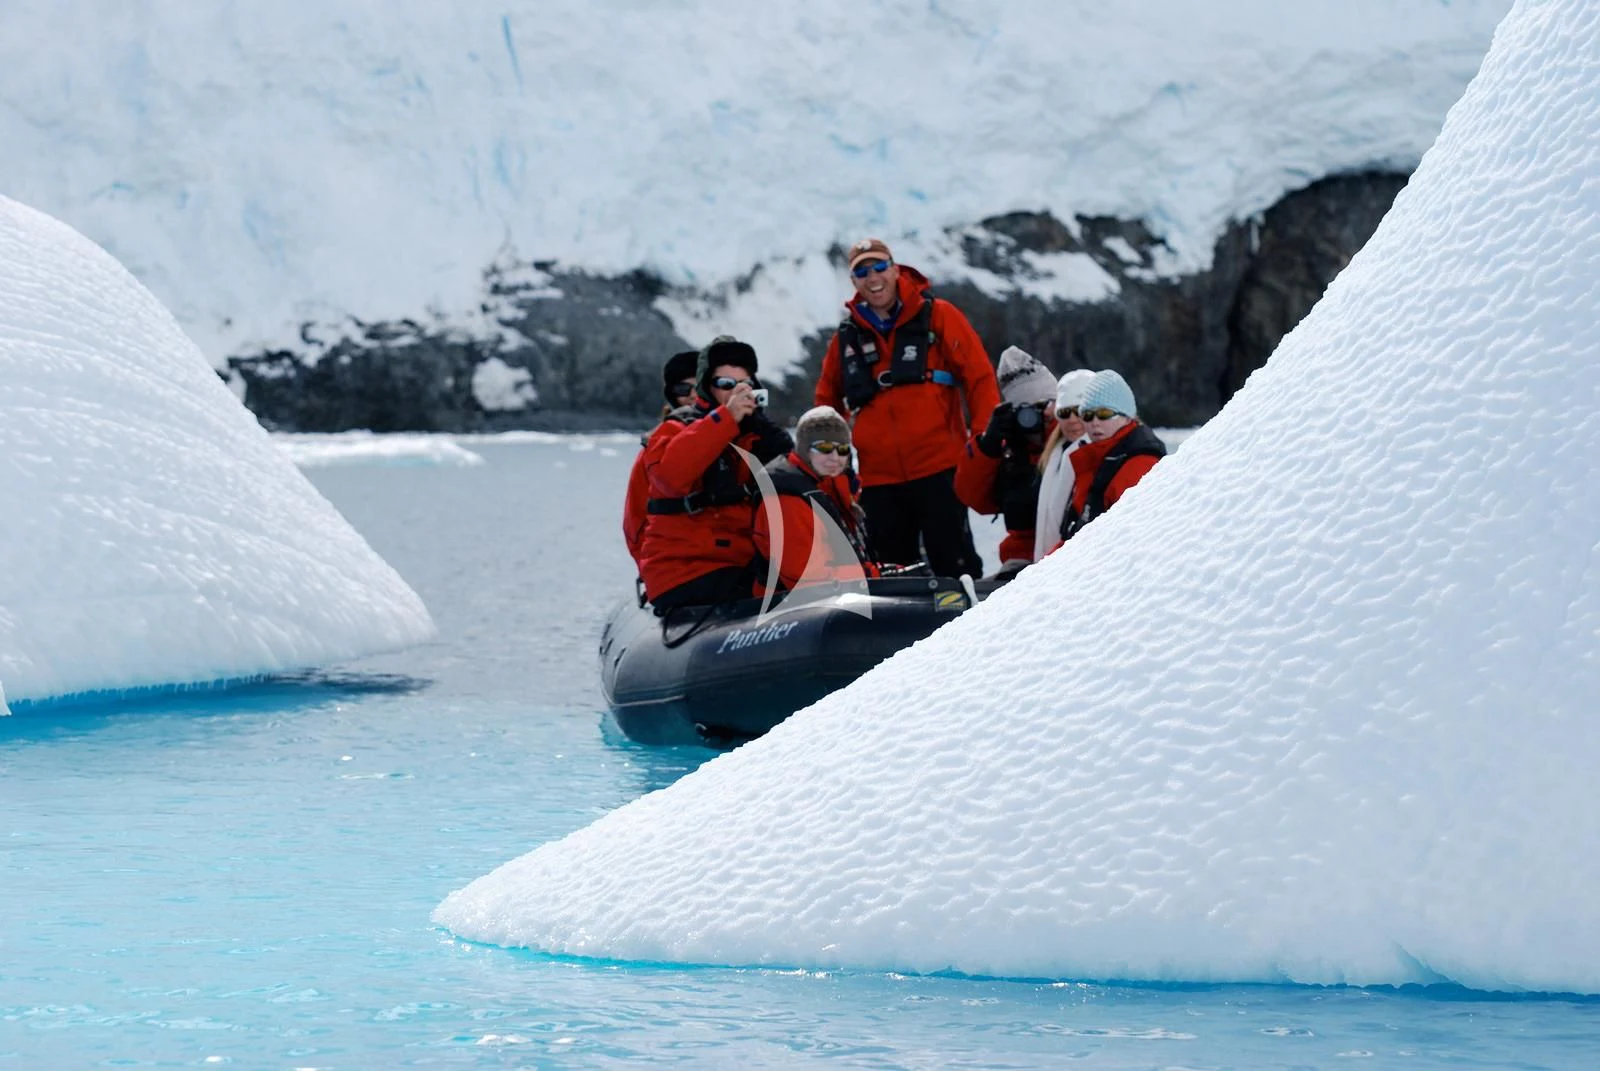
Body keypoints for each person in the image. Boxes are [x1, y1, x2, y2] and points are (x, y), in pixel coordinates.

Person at [814, 237, 999, 579]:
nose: (873, 277)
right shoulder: (846, 339)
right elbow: (825, 402)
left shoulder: (938, 315)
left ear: (895, 269)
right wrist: (831, 455)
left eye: (880, 266)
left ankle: (973, 626)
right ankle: (904, 635)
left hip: (941, 468)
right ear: (854, 281)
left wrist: (983, 439)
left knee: (956, 566)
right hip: (878, 479)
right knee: (893, 576)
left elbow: (979, 377)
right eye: (862, 271)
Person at [637, 336, 793, 612]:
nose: (734, 392)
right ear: (707, 389)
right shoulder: (673, 430)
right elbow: (672, 476)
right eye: (724, 384)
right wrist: (725, 419)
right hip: (686, 571)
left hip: (738, 564)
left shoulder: (761, 439)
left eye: (742, 384)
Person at [953, 346, 1060, 579]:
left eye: (1046, 404)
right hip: (1020, 558)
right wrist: (987, 446)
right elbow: (974, 498)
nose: (1037, 417)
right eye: (1027, 410)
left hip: (1064, 553)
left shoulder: (1073, 435)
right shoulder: (1010, 448)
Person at [753, 406, 878, 593]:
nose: (835, 457)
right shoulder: (786, 500)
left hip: (835, 594)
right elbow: (807, 579)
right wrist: (868, 574)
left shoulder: (830, 484)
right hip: (789, 607)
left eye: (842, 449)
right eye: (825, 447)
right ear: (804, 449)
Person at [1059, 369, 1166, 542]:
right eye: (1087, 415)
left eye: (1104, 414)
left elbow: (1129, 540)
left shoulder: (1139, 465)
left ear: (1126, 417)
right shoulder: (1097, 458)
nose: (1094, 422)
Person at [622, 349, 700, 567]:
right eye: (684, 389)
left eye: (700, 387)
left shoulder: (735, 439)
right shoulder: (653, 450)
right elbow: (635, 522)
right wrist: (651, 567)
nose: (693, 395)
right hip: (675, 568)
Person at [1033, 368, 1096, 560]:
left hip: (1074, 565)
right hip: (1048, 565)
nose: (1072, 419)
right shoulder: (1054, 454)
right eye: (1065, 412)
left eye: (1079, 411)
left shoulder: (1099, 454)